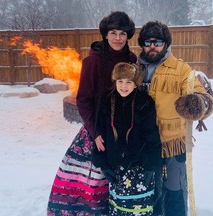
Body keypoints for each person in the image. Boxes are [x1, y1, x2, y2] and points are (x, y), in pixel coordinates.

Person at [47, 11, 137, 216]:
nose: (117, 38)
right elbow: (83, 100)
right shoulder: (93, 62)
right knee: (92, 181)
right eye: (113, 32)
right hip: (97, 131)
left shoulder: (132, 60)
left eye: (122, 33)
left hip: (123, 130)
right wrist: (95, 132)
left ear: (127, 36)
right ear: (105, 34)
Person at [137, 21, 213, 216]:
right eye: (148, 42)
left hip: (172, 144)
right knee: (147, 194)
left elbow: (203, 97)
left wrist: (197, 104)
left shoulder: (181, 70)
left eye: (158, 42)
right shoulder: (134, 70)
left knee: (175, 192)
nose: (152, 46)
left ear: (166, 44)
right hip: (142, 144)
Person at [92, 62, 162, 215]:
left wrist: (151, 165)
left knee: (139, 207)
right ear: (115, 82)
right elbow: (100, 134)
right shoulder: (106, 101)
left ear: (136, 84)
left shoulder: (145, 102)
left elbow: (152, 134)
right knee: (119, 206)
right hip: (115, 165)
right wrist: (103, 163)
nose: (124, 86)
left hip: (140, 165)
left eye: (129, 82)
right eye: (120, 81)